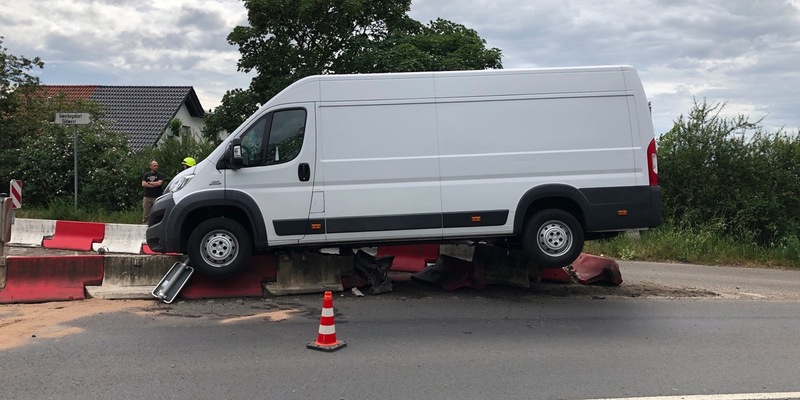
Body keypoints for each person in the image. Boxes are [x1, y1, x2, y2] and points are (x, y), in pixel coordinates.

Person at [141, 160, 164, 224]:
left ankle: (156, 224)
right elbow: (143, 184)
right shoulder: (146, 175)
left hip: (157, 196)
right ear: (151, 166)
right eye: (154, 166)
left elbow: (159, 183)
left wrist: (149, 183)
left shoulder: (160, 174)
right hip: (147, 196)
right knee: (146, 213)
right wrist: (154, 184)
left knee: (157, 212)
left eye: (157, 166)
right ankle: (145, 225)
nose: (156, 167)